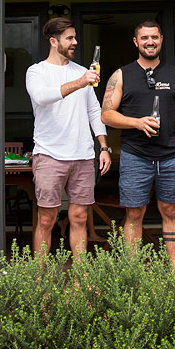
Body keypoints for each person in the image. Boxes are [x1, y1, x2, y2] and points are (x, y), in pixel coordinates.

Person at [101, 19, 175, 268]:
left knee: (170, 211)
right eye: (144, 38)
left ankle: (174, 272)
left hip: (172, 157)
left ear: (161, 39)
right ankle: (133, 272)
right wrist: (137, 123)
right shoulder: (121, 75)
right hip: (135, 156)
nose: (150, 42)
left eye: (154, 37)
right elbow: (106, 114)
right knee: (134, 213)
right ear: (136, 42)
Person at [25, 17, 112, 259]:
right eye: (70, 38)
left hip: (83, 155)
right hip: (49, 155)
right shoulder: (37, 71)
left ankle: (81, 277)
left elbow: (94, 111)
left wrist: (104, 146)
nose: (75, 42)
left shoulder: (82, 71)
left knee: (80, 217)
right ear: (53, 41)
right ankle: (40, 277)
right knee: (46, 219)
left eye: (75, 37)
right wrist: (80, 82)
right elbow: (42, 97)